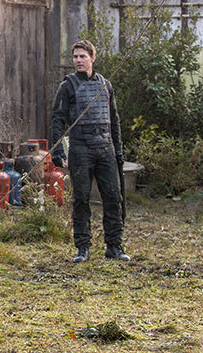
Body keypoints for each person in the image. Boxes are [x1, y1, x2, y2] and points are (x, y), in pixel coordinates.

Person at [50, 39, 129, 263]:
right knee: (81, 199)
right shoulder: (68, 85)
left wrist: (118, 151)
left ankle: (114, 246)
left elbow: (114, 120)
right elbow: (58, 119)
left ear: (93, 58)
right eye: (75, 57)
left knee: (114, 197)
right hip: (80, 148)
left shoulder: (106, 85)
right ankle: (82, 248)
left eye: (83, 56)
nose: (78, 60)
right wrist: (57, 151)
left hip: (105, 148)